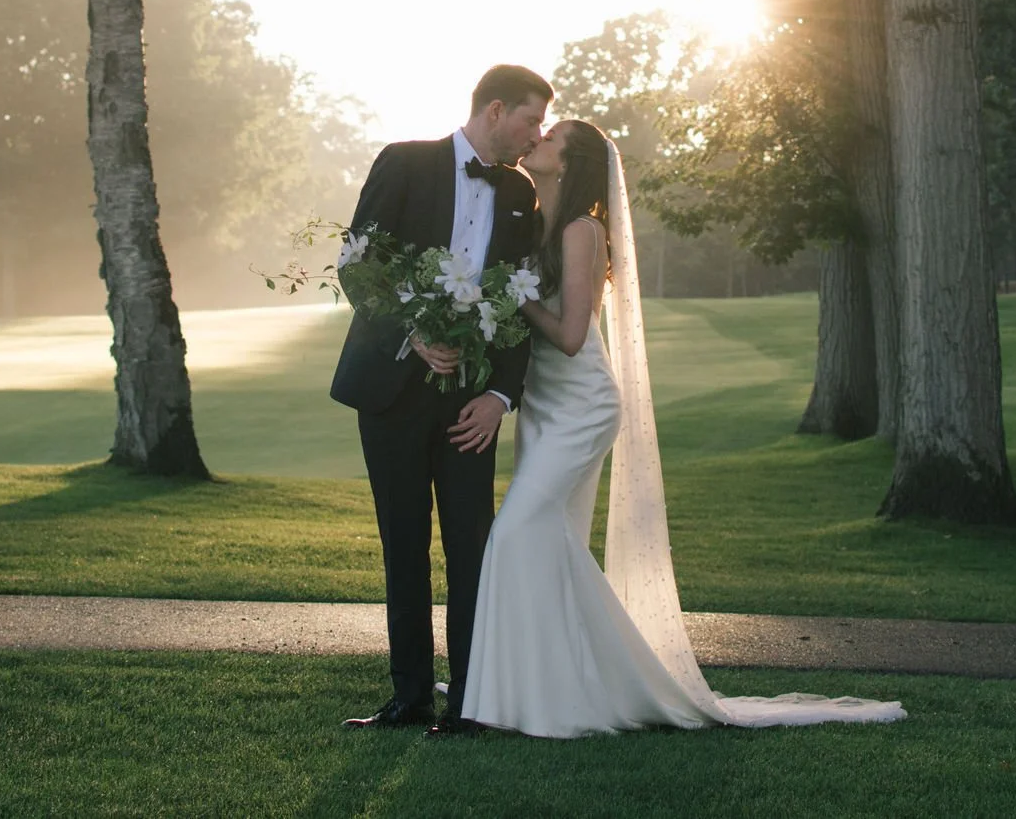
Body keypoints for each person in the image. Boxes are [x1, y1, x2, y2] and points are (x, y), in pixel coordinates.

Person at [455, 119, 905, 737]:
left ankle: (556, 690)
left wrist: (512, 292)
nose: (538, 140)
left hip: (582, 406)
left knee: (514, 534)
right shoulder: (534, 225)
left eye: (552, 136)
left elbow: (569, 337)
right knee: (546, 540)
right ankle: (533, 689)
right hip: (544, 409)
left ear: (573, 160)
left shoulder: (583, 231)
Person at [331, 65, 551, 736]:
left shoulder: (520, 194)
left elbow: (517, 294)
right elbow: (356, 262)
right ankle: (409, 698)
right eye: (529, 120)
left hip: (467, 405)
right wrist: (414, 331)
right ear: (493, 110)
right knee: (404, 542)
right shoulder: (403, 163)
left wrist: (498, 396)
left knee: (470, 544)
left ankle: (470, 702)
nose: (535, 137)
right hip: (391, 390)